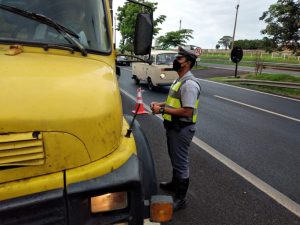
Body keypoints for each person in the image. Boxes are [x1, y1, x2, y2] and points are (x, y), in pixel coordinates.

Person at [151, 46, 201, 211]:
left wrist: (162, 110)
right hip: (174, 127)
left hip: (182, 128)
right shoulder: (179, 80)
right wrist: (160, 104)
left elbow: (187, 110)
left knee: (180, 161)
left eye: (179, 58)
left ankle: (181, 198)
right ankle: (174, 184)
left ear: (187, 63)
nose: (175, 60)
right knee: (175, 157)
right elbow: (174, 101)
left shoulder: (189, 84)